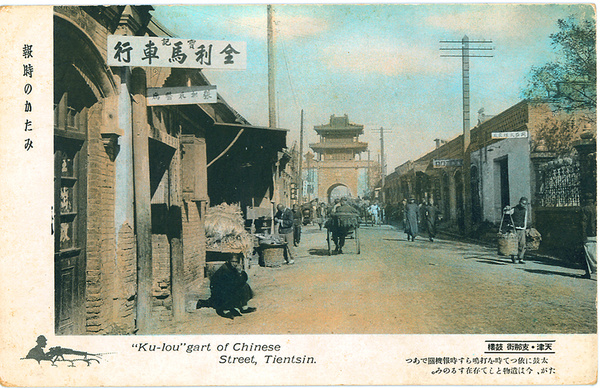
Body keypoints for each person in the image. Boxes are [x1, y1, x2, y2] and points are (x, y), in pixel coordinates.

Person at [503, 196, 529, 264]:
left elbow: (525, 219)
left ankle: (521, 258)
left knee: (522, 244)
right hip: (514, 229)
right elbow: (506, 213)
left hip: (522, 229)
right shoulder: (514, 209)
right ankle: (514, 258)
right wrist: (506, 209)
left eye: (525, 204)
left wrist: (525, 228)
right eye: (522, 203)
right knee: (514, 243)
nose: (523, 205)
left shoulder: (525, 210)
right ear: (519, 202)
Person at [581, 194, 597, 279]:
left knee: (587, 254)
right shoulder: (596, 208)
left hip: (589, 234)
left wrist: (583, 234)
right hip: (596, 233)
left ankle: (588, 273)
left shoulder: (585, 209)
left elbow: (584, 222)